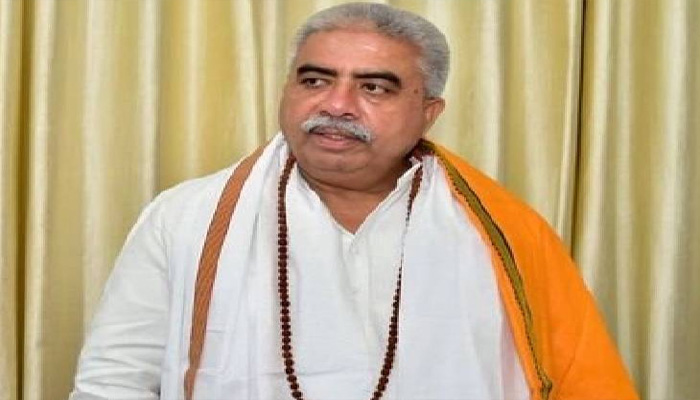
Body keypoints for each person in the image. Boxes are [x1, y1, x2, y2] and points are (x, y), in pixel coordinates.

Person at [70, 3, 638, 400]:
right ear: (287, 90)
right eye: (315, 81)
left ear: (428, 112)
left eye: (374, 87)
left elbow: (581, 383)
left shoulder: (506, 234)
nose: (337, 104)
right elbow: (114, 382)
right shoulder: (186, 218)